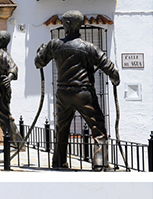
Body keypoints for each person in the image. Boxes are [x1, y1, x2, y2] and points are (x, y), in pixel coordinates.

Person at [34, 10, 119, 170]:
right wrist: (115, 78)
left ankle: (59, 162)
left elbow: (39, 62)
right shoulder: (89, 47)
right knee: (98, 128)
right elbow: (108, 66)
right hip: (83, 93)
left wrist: (39, 52)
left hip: (63, 94)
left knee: (61, 129)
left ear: (66, 25)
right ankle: (100, 163)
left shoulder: (54, 44)